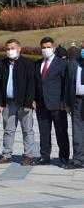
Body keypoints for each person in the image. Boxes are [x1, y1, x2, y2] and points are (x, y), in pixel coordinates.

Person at [0, 39, 39, 165]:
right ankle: (6, 155)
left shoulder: (28, 63)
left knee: (27, 130)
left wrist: (28, 103)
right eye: (7, 49)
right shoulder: (1, 64)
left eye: (12, 48)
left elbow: (31, 84)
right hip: (8, 103)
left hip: (24, 103)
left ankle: (28, 156)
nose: (9, 51)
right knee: (8, 130)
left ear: (19, 49)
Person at [34, 37, 70, 166]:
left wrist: (64, 102)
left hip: (57, 104)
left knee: (61, 131)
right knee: (44, 132)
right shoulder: (37, 63)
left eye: (48, 47)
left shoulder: (62, 64)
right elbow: (35, 84)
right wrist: (33, 99)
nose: (45, 49)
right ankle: (45, 156)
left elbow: (66, 84)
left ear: (54, 48)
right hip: (41, 104)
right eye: (43, 47)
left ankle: (64, 157)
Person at [65, 49, 84, 169]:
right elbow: (67, 84)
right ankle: (78, 158)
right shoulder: (73, 63)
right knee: (77, 131)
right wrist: (67, 102)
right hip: (77, 100)